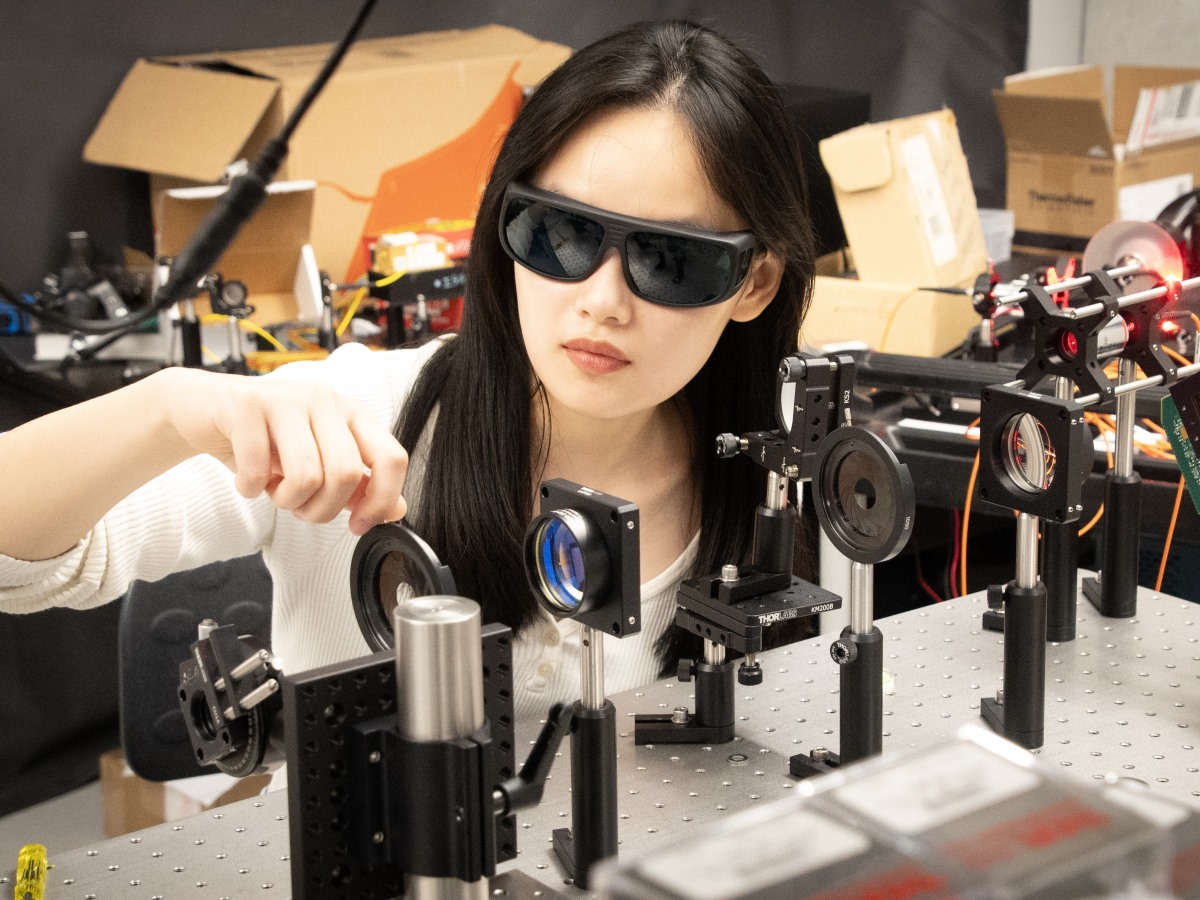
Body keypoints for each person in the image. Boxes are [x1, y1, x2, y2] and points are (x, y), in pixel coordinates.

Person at [0, 19, 816, 723]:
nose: (601, 301)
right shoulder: (360, 417)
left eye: (668, 260)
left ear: (754, 283)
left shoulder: (773, 482)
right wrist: (168, 409)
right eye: (560, 234)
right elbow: (22, 565)